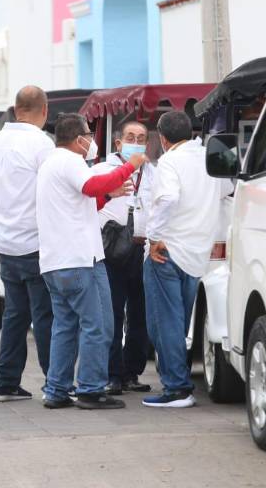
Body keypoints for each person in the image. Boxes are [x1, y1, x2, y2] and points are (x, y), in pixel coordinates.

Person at [37, 113, 145, 410]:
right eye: (88, 134)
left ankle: (57, 389)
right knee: (98, 325)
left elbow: (82, 202)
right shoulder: (70, 161)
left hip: (57, 261)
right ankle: (90, 388)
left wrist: (108, 196)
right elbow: (93, 186)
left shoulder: (50, 163)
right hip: (80, 259)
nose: (92, 140)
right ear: (79, 139)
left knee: (65, 326)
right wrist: (130, 167)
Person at [142, 111, 233, 408]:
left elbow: (168, 198)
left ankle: (177, 389)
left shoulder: (170, 161)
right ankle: (177, 382)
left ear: (163, 138)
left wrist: (153, 237)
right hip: (196, 254)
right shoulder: (208, 157)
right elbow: (227, 189)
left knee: (163, 323)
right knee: (177, 323)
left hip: (167, 251)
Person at [0, 86, 55, 402]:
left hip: (5, 241)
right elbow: (53, 191)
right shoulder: (41, 143)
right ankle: (55, 383)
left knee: (15, 315)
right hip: (35, 242)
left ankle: (5, 382)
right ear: (44, 111)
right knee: (45, 316)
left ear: (15, 109)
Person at [92, 121, 152, 396]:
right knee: (113, 313)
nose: (135, 143)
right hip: (113, 249)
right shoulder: (102, 170)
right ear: (118, 143)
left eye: (141, 138)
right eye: (130, 137)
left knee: (140, 315)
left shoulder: (153, 172)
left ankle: (132, 371)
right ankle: (112, 373)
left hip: (143, 249)